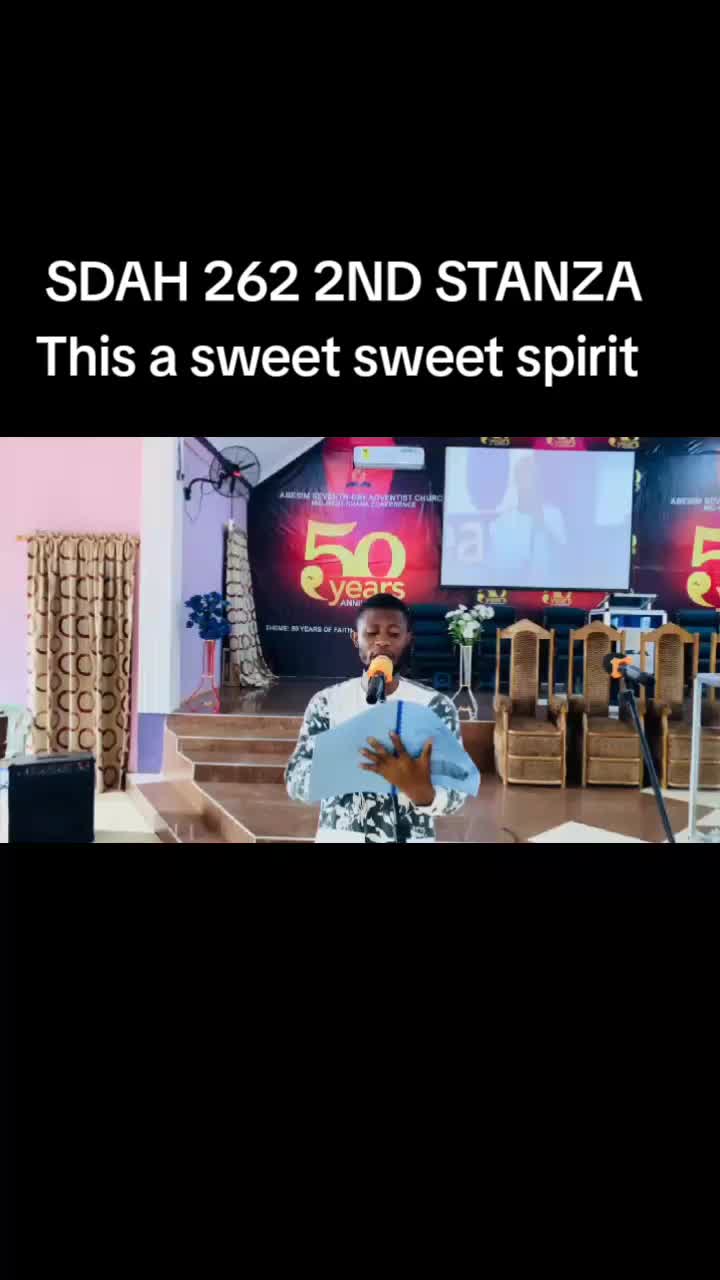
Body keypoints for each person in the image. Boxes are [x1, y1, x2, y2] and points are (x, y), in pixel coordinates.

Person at [285, 596, 468, 843]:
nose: (382, 641)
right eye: (371, 633)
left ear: (408, 639)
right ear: (355, 638)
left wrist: (424, 793)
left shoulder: (435, 706)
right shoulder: (327, 702)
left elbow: (457, 791)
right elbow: (295, 781)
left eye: (394, 634)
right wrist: (343, 766)